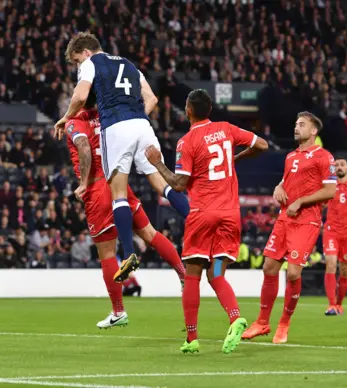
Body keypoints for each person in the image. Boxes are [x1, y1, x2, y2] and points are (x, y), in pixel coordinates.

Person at [56, 32, 190, 282]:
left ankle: (128, 254)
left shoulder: (90, 64)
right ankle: (195, 218)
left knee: (118, 193)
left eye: (76, 60)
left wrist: (66, 116)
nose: (77, 65)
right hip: (142, 124)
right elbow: (151, 99)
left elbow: (81, 96)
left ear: (85, 52)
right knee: (162, 185)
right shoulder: (128, 63)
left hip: (117, 127)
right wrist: (138, 118)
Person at [145, 89, 268, 354]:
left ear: (188, 111)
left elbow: (179, 184)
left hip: (202, 214)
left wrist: (158, 164)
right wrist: (235, 159)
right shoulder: (226, 129)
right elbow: (262, 145)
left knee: (192, 274)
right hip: (230, 214)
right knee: (216, 274)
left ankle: (191, 339)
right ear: (210, 110)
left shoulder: (187, 141)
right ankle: (235, 318)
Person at [65, 93, 186, 329]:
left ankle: (118, 311)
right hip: (118, 181)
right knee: (150, 233)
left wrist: (83, 182)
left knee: (107, 254)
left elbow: (82, 146)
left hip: (97, 187)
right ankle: (183, 274)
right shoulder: (107, 116)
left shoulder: (74, 123)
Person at [243, 112, 336, 344]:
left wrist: (301, 201)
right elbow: (286, 182)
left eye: (302, 125)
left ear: (313, 131)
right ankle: (262, 323)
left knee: (293, 272)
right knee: (269, 267)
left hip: (307, 220)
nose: (297, 128)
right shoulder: (291, 157)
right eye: (296, 124)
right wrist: (278, 187)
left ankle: (284, 323)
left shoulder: (324, 157)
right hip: (285, 219)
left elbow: (330, 191)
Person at [321, 158, 347, 315]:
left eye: (342, 164)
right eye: (336, 165)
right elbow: (320, 203)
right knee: (330, 263)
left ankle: (339, 304)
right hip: (331, 231)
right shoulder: (329, 186)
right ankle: (331, 305)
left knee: (344, 270)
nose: (339, 167)